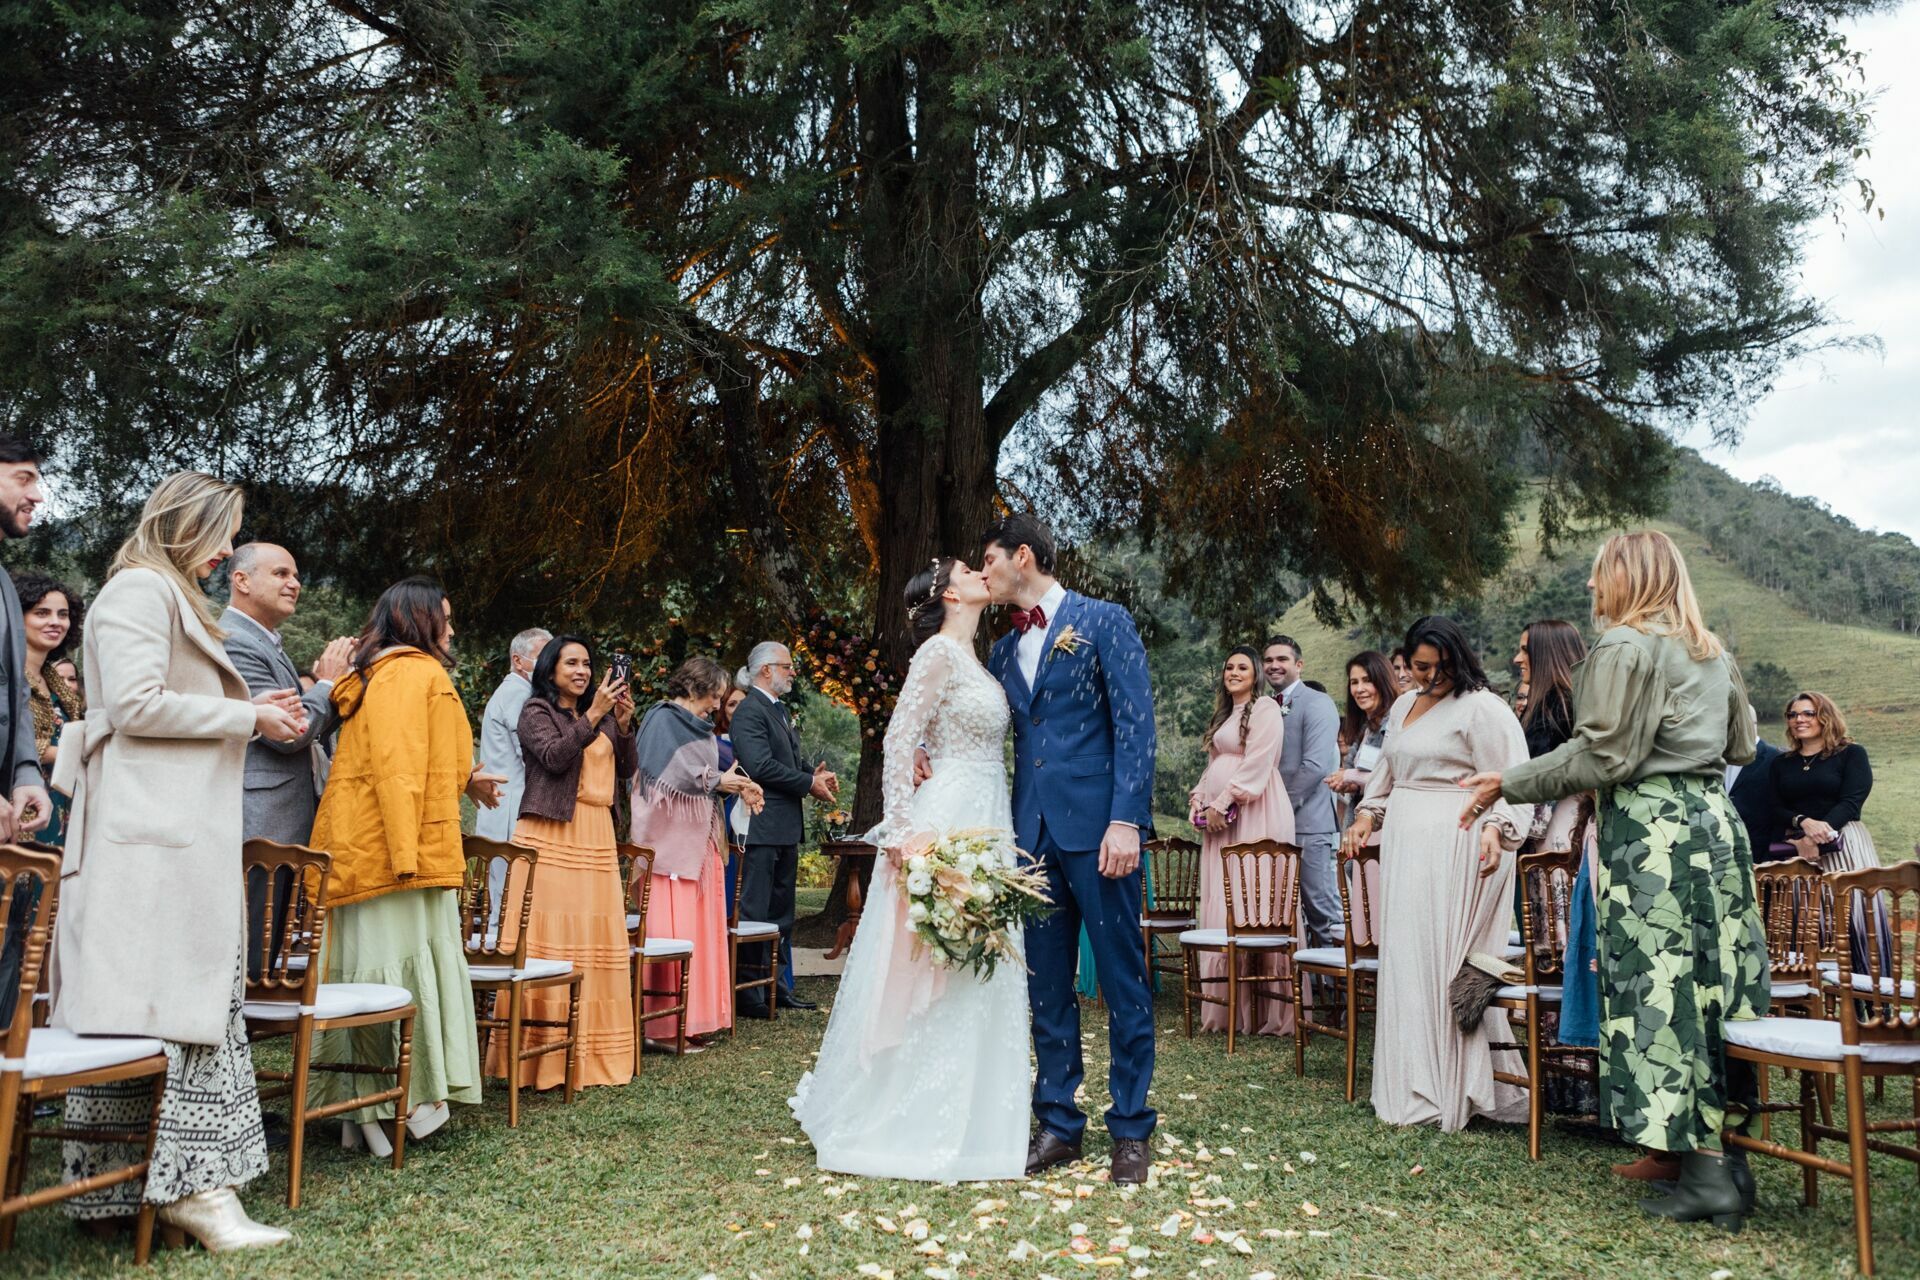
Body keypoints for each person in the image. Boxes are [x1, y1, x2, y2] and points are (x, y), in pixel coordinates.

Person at [1460, 530, 1769, 1228]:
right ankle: (1728, 1160)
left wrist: (1506, 784)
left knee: (1661, 994)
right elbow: (1743, 746)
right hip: (1716, 830)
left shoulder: (1624, 646)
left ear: (1627, 579)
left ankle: (1706, 1173)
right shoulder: (1713, 650)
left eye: (1601, 578)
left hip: (1654, 838)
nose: (1595, 590)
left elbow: (1605, 755)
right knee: (1715, 987)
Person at [53, 471, 302, 1250]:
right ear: (185, 524)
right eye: (223, 531)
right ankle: (197, 1195)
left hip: (167, 832)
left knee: (176, 1007)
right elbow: (132, 705)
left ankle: (135, 1192)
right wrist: (248, 714)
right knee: (175, 1010)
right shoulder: (137, 592)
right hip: (149, 838)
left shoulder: (166, 594)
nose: (227, 549)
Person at [791, 557, 1029, 1180]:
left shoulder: (975, 658)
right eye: (969, 569)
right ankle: (909, 1110)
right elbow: (899, 739)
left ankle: (977, 1114)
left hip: (989, 812)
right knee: (934, 955)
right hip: (950, 813)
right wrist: (900, 831)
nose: (983, 572)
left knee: (978, 951)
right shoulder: (937, 654)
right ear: (949, 592)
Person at [979, 514, 1157, 1185]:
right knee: (1045, 987)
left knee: (1121, 982)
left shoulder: (1104, 621)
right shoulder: (1000, 651)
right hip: (1032, 839)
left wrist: (1126, 822)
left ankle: (1131, 1128)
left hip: (1098, 832)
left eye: (990, 560)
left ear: (1023, 556)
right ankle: (1058, 1123)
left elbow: (1135, 727)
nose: (984, 572)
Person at [307, 578, 501, 1151]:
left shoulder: (372, 677)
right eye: (445, 617)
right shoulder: (416, 673)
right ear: (420, 621)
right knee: (396, 967)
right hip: (399, 853)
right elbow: (396, 767)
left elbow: (409, 753)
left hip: (365, 847)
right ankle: (406, 1101)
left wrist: (467, 778)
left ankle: (362, 1112)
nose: (452, 628)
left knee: (371, 969)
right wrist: (407, 855)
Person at [1341, 616, 1529, 1133]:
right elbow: (1384, 777)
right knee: (1406, 960)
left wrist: (1497, 830)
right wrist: (1365, 817)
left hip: (1459, 845)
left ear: (1459, 660)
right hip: (1405, 848)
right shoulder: (1402, 706)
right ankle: (1411, 1085)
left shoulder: (1483, 708)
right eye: (1421, 667)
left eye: (1440, 668)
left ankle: (1455, 1088)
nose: (1429, 677)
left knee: (1442, 960)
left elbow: (1513, 781)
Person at [488, 635, 637, 1089]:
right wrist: (593, 715)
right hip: (551, 833)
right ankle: (539, 1058)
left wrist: (624, 726)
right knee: (549, 939)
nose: (582, 671)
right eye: (571, 663)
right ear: (550, 668)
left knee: (594, 937)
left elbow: (626, 770)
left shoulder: (604, 716)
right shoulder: (535, 711)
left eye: (588, 664)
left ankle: (594, 1053)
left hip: (595, 834)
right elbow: (554, 758)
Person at [631, 657, 763, 1052]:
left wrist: (738, 784)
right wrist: (718, 780)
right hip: (668, 849)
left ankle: (692, 1018)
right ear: (695, 687)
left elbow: (708, 775)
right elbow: (662, 775)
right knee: (674, 932)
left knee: (698, 932)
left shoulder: (698, 727)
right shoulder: (662, 719)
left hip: (698, 842)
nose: (717, 706)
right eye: (715, 696)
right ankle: (663, 1026)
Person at [1511, 620, 1600, 1097]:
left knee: (1556, 944)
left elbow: (1548, 783)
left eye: (1526, 650)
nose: (1518, 658)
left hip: (1559, 834)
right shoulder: (1562, 701)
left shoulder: (1555, 707)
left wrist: (1520, 837)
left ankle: (1569, 1077)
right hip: (1562, 829)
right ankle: (1564, 1076)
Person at [1188, 645, 1294, 1035]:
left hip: (1255, 812)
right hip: (1221, 819)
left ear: (1256, 675)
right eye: (1229, 666)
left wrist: (1223, 801)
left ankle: (1268, 1008)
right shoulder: (1225, 714)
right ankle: (1228, 1005)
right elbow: (1214, 765)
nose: (1233, 672)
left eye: (1242, 667)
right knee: (1222, 895)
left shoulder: (1265, 709)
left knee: (1255, 896)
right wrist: (1199, 800)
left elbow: (1258, 762)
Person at [729, 641, 837, 1016]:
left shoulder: (779, 710)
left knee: (781, 913)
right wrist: (807, 784)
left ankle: (777, 986)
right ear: (765, 670)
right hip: (761, 825)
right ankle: (748, 993)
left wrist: (813, 773)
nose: (793, 672)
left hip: (786, 826)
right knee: (755, 911)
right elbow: (760, 767)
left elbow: (786, 760)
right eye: (787, 666)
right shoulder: (747, 712)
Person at [221, 543, 352, 846]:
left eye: (295, 576)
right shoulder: (236, 641)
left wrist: (343, 686)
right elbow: (287, 732)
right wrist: (327, 684)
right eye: (281, 574)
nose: (295, 584)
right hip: (262, 825)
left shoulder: (264, 640)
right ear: (242, 581)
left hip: (283, 822)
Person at [1768, 691, 1887, 970]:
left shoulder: (1851, 754)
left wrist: (1819, 835)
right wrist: (1803, 824)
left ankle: (1871, 1001)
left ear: (1825, 716)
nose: (1799, 719)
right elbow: (1775, 807)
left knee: (1854, 923)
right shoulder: (1781, 763)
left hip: (1844, 846)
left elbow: (1852, 800)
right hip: (1800, 853)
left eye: (1808, 713)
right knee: (1809, 927)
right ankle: (1814, 1001)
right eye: (1793, 714)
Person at [1264, 635, 1342, 965]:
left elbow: (1314, 767)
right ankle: (1304, 987)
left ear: (1299, 664)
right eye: (1268, 660)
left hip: (1309, 824)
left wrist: (1280, 807)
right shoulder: (1266, 705)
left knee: (1321, 908)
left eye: (1282, 659)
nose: (1273, 665)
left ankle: (1338, 992)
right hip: (1272, 824)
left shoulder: (1317, 702)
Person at [474, 627, 552, 927]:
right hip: (510, 807)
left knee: (509, 897)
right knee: (509, 899)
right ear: (519, 661)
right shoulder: (516, 695)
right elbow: (531, 754)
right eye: (542, 657)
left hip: (507, 805)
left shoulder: (518, 693)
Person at [0, 437, 53, 845]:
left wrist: (24, 772)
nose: (36, 495)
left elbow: (12, 688)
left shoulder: (4, 582)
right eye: (24, 479)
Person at [14, 572, 84, 846]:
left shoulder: (59, 684)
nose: (55, 622)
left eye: (63, 614)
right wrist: (71, 751)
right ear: (16, 617)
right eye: (41, 613)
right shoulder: (8, 675)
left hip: (61, 801)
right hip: (17, 799)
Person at [1324, 650, 1396, 829]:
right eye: (1354, 682)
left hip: (1387, 822)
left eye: (1367, 680)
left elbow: (1393, 779)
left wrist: (1348, 775)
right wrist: (1352, 785)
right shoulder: (1366, 729)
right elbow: (1369, 776)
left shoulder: (1397, 723)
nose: (1359, 689)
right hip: (1359, 823)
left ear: (1383, 681)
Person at [1725, 709, 1782, 864]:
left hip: (1761, 855)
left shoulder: (1776, 758)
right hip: (1722, 853)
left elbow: (1780, 811)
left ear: (1751, 724)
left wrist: (1770, 858)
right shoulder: (1715, 758)